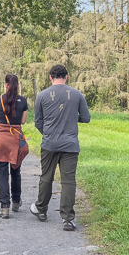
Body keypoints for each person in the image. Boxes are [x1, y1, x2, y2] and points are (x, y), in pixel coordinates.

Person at [30, 63, 90, 232]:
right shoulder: (77, 94)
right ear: (66, 77)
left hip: (49, 143)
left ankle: (41, 209)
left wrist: (47, 133)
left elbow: (38, 122)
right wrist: (71, 118)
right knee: (68, 180)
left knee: (46, 177)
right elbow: (86, 118)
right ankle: (68, 219)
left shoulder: (42, 95)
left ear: (50, 77)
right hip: (70, 144)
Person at [0, 73, 29, 218]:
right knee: (16, 171)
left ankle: (4, 208)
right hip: (15, 138)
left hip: (1, 138)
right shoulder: (23, 101)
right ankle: (16, 201)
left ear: (6, 85)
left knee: (2, 174)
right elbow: (23, 121)